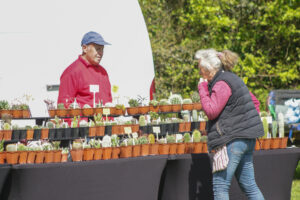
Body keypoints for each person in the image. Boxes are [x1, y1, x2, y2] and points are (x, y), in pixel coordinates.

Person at [196, 49, 265, 200]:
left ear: (208, 69)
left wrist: (202, 89)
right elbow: (254, 102)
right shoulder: (232, 78)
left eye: (200, 68)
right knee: (250, 186)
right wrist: (245, 122)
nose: (200, 72)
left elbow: (211, 111)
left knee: (220, 186)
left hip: (232, 141)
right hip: (247, 138)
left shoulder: (221, 84)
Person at [57, 31, 112, 108]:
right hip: (82, 120)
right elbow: (63, 107)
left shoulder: (103, 72)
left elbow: (108, 101)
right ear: (85, 48)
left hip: (105, 120)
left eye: (102, 49)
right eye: (98, 49)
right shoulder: (72, 72)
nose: (101, 53)